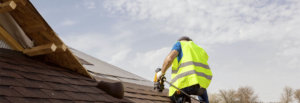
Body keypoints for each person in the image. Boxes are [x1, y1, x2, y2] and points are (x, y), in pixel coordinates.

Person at [156, 36, 213, 103]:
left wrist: (162, 72)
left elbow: (169, 59)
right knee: (204, 100)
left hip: (185, 83)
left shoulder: (180, 44)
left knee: (174, 95)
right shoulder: (200, 49)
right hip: (201, 86)